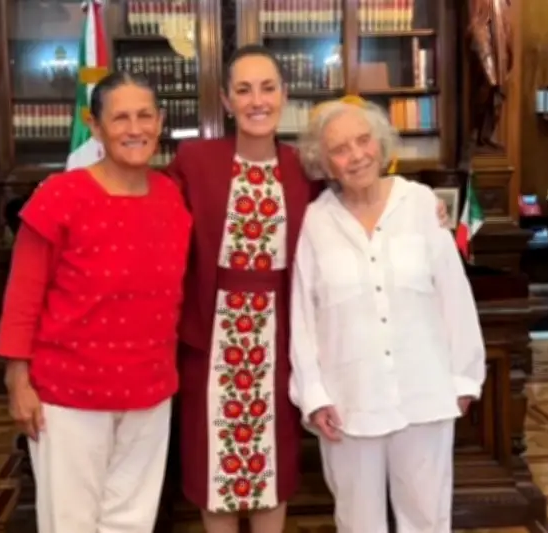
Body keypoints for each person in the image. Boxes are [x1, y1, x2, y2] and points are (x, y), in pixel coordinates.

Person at [166, 44, 451, 533]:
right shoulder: (195, 161)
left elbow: (360, 190)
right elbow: (153, 214)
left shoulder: (305, 169)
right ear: (226, 100)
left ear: (284, 94)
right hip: (214, 343)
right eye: (244, 89)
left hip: (281, 341)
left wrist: (430, 207)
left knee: (273, 467)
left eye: (268, 87)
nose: (257, 100)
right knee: (214, 469)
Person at [0, 72, 192, 533]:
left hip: (150, 388)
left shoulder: (171, 197)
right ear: (96, 127)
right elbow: (23, 295)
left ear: (160, 122)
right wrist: (17, 379)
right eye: (120, 118)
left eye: (145, 115)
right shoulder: (59, 197)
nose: (135, 128)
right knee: (72, 522)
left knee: (132, 521)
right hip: (69, 395)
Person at [289, 98, 486, 533]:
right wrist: (314, 394)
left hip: (425, 394)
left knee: (427, 519)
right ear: (324, 162)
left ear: (380, 144)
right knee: (358, 523)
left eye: (363, 141)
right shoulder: (315, 222)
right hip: (348, 404)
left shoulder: (420, 204)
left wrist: (464, 377)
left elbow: (454, 296)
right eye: (340, 149)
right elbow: (303, 315)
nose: (356, 155)